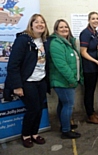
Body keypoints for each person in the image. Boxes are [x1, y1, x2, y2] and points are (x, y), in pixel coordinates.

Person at [3, 14, 50, 148]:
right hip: (27, 82)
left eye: (42, 22)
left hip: (41, 80)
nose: (40, 24)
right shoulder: (23, 40)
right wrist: (17, 86)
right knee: (33, 108)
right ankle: (26, 135)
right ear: (31, 24)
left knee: (39, 108)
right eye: (37, 22)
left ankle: (34, 133)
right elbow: (13, 65)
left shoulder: (45, 41)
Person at [49, 19, 83, 139]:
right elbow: (62, 65)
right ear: (56, 30)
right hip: (63, 81)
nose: (64, 29)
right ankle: (66, 131)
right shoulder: (56, 44)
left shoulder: (67, 42)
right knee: (68, 104)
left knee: (63, 103)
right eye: (61, 27)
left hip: (66, 80)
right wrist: (72, 80)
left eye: (66, 27)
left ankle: (64, 124)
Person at [79, 11, 98, 124]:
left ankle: (92, 112)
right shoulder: (85, 33)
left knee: (92, 91)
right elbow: (83, 52)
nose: (95, 20)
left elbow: (92, 48)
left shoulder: (94, 33)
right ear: (89, 20)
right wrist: (96, 61)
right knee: (89, 92)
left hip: (94, 68)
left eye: (97, 18)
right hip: (89, 68)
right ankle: (90, 115)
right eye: (93, 18)